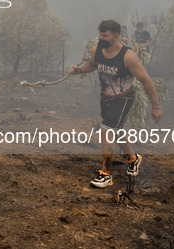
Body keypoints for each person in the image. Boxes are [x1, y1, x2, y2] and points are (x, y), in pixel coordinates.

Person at [68, 20, 162, 188]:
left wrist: (156, 106)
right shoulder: (96, 50)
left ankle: (105, 174)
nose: (100, 38)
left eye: (105, 35)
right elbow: (92, 65)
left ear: (116, 35)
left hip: (124, 98)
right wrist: (79, 70)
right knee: (116, 130)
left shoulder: (128, 56)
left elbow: (145, 80)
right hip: (106, 98)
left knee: (106, 129)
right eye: (100, 34)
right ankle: (133, 159)